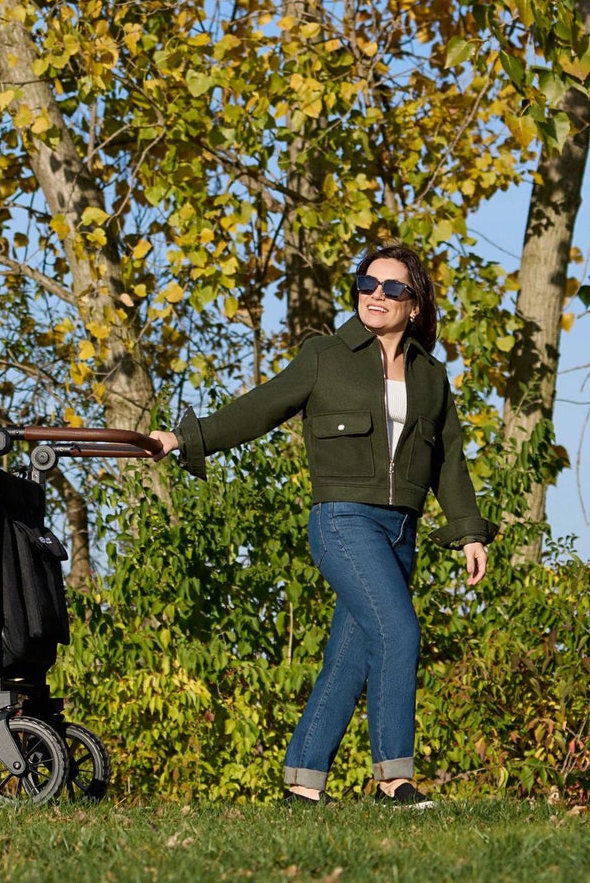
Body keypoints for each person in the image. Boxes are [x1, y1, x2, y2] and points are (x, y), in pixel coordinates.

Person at [149, 244, 495, 809]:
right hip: (343, 521)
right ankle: (394, 781)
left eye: (393, 288)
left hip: (400, 531)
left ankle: (303, 784)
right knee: (399, 633)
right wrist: (185, 439)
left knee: (352, 656)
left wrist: (469, 530)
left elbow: (448, 457)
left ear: (415, 304)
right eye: (367, 283)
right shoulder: (325, 356)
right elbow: (259, 406)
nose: (376, 295)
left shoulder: (432, 376)